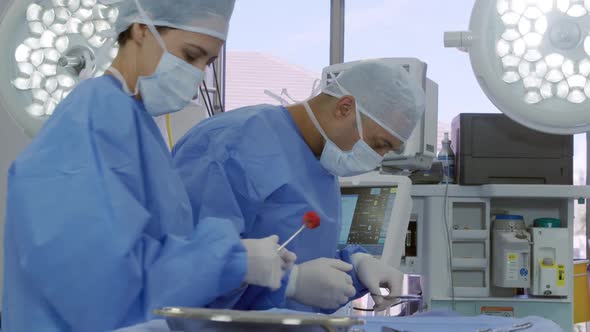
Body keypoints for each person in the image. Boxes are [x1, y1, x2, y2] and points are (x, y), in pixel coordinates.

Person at [2, 0, 295, 331]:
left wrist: (246, 265)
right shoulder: (94, 116)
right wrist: (231, 260)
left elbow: (153, 252)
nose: (197, 74)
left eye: (208, 62)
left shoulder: (135, 123)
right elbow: (95, 282)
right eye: (190, 55)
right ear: (142, 28)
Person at [172, 59, 426, 312]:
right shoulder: (227, 143)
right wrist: (290, 283)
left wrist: (356, 266)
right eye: (379, 143)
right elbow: (188, 267)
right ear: (345, 108)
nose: (377, 157)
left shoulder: (322, 161)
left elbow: (302, 262)